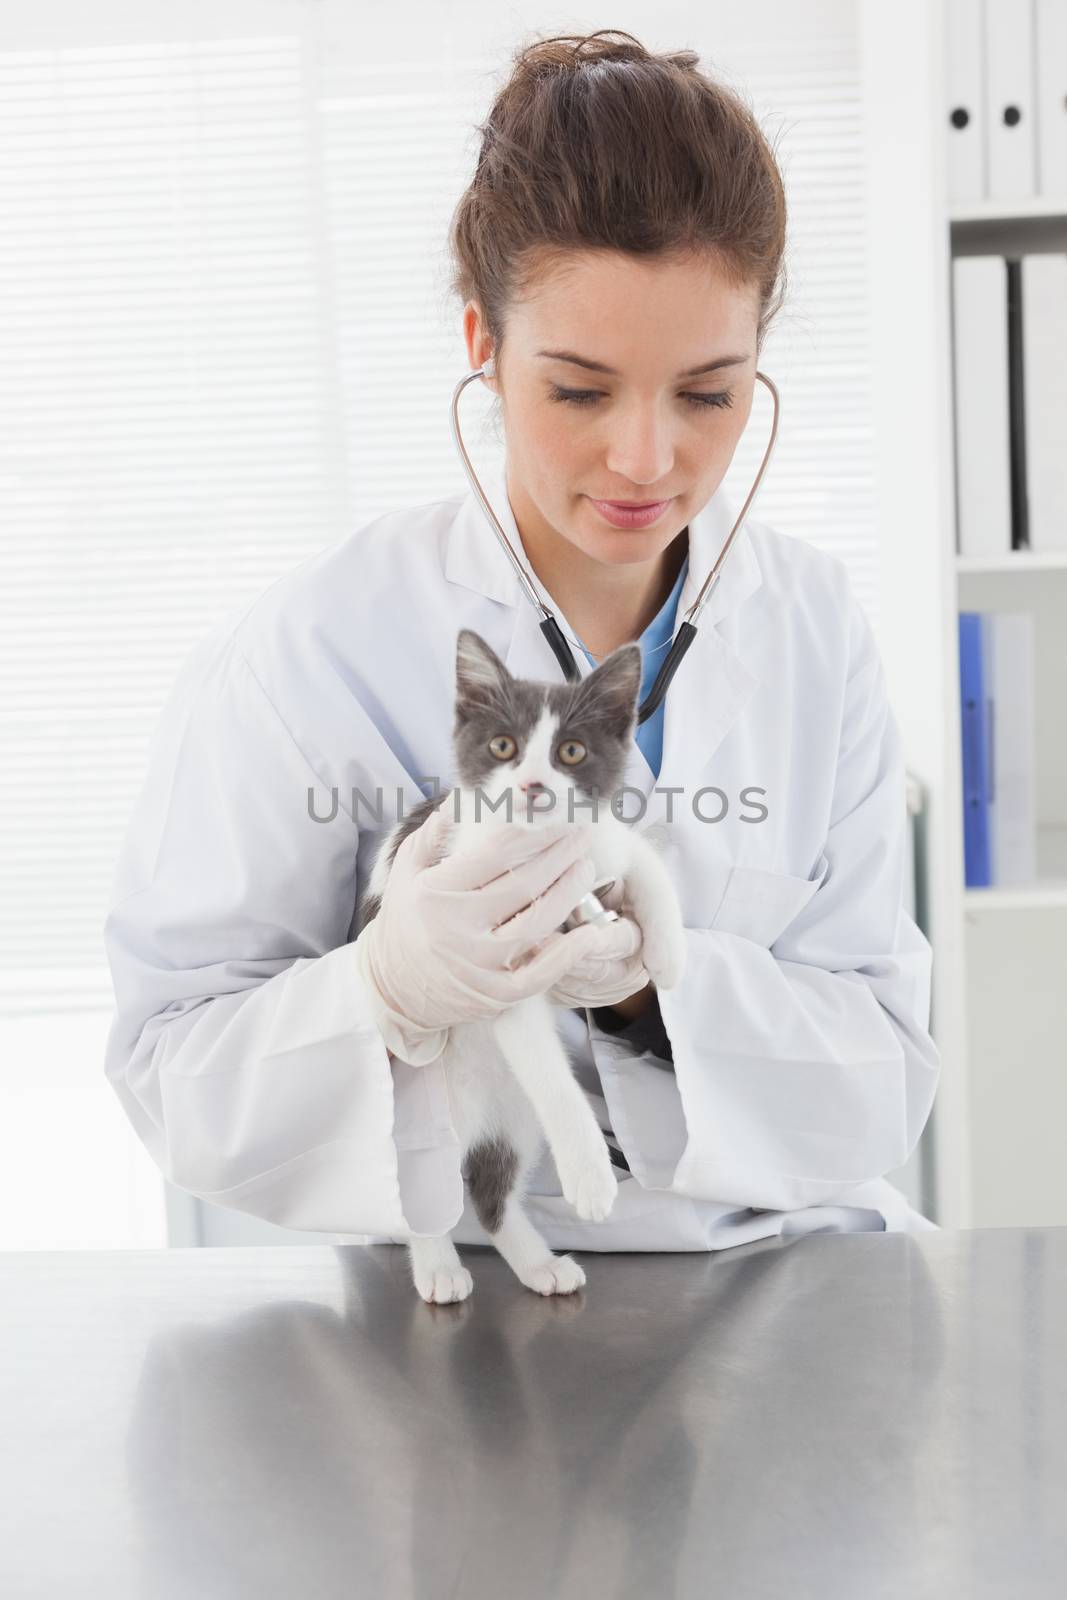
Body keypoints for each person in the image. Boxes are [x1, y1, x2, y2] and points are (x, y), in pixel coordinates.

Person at [102, 29, 940, 1253]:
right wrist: (382, 992)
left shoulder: (812, 628)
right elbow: (171, 1069)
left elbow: (885, 1065)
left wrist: (658, 987)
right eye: (580, 390)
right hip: (466, 1285)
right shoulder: (313, 649)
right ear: (482, 352)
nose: (647, 459)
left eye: (707, 392)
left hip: (782, 1262)